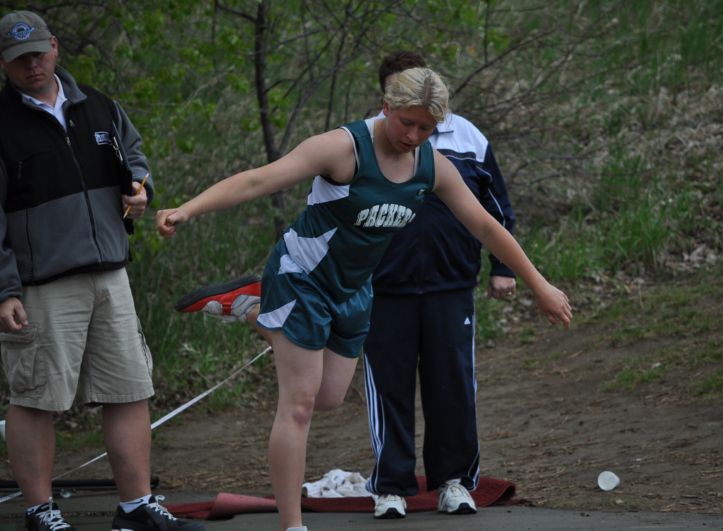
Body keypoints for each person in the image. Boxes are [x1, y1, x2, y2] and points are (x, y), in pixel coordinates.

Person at [157, 65, 571, 531]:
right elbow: (258, 180)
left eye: (426, 128)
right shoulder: (342, 148)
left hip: (354, 289)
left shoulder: (432, 165)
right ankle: (292, 525)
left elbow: (485, 225)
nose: (413, 136)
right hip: (303, 278)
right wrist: (187, 208)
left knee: (330, 397)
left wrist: (540, 285)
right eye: (406, 123)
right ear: (386, 107)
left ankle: (251, 305)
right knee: (299, 404)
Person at [0, 11, 204, 531]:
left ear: (56, 47)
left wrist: (138, 188)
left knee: (130, 388)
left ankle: (135, 507)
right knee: (37, 398)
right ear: (5, 65)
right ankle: (40, 513)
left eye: (38, 53)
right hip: (41, 283)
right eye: (19, 60)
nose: (32, 66)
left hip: (112, 273)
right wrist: (5, 290)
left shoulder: (99, 106)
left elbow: (133, 158)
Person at [360, 50, 519, 519]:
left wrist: (503, 267)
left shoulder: (466, 136)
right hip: (384, 289)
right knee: (388, 387)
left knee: (452, 385)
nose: (414, 130)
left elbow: (495, 206)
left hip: (451, 284)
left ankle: (453, 482)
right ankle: (391, 487)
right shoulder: (362, 141)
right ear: (387, 99)